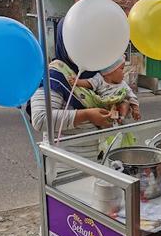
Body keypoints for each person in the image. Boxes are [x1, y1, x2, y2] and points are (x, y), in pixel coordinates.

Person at [30, 18, 113, 160]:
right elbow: (40, 119)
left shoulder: (97, 73)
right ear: (66, 42)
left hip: (97, 160)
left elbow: (113, 98)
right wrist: (87, 115)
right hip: (65, 164)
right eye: (80, 41)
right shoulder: (54, 75)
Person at [68, 55, 141, 122]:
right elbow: (89, 83)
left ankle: (121, 117)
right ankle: (113, 117)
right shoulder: (99, 79)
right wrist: (77, 82)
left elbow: (131, 96)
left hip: (119, 102)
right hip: (105, 104)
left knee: (125, 104)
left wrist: (135, 108)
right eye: (121, 69)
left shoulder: (123, 84)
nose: (124, 72)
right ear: (110, 71)